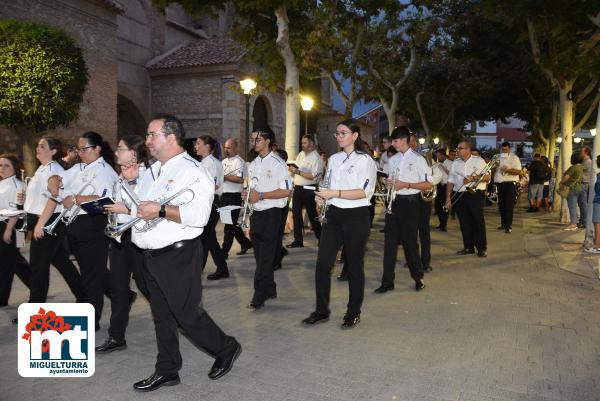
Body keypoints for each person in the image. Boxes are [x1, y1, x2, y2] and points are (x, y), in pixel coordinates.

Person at [131, 115, 240, 391]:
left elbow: (200, 216)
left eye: (151, 134)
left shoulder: (192, 171)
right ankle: (167, 370)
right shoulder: (154, 170)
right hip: (151, 254)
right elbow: (142, 206)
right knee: (162, 316)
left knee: (186, 315)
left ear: (170, 138)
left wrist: (160, 210)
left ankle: (226, 347)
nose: (147, 140)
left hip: (177, 254)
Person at [301, 119, 376, 329]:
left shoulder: (366, 161)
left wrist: (333, 193)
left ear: (355, 135)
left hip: (356, 215)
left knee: (354, 266)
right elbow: (328, 183)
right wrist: (322, 197)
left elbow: (364, 192)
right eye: (337, 133)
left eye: (343, 133)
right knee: (322, 264)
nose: (339, 137)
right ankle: (321, 310)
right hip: (334, 215)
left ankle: (353, 312)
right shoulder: (333, 159)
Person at [47, 132, 119, 328]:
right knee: (90, 272)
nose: (80, 153)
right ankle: (122, 296)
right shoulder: (79, 167)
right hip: (76, 225)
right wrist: (53, 181)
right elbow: (57, 176)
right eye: (78, 149)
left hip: (93, 224)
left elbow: (105, 201)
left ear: (97, 149)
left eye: (84, 149)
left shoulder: (105, 170)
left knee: (91, 276)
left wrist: (77, 199)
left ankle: (91, 320)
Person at [95, 135, 151, 353]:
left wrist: (125, 210)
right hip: (119, 238)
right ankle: (116, 337)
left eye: (121, 148)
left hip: (137, 238)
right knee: (118, 289)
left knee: (147, 286)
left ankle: (171, 318)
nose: (116, 152)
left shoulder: (147, 175)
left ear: (134, 154)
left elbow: (148, 210)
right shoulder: (119, 176)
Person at [25, 137, 83, 304]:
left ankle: (34, 308)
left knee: (38, 267)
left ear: (53, 151)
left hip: (48, 221)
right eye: (38, 145)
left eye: (42, 146)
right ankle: (84, 296)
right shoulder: (43, 168)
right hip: (45, 220)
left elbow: (53, 199)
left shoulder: (53, 170)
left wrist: (40, 225)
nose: (38, 148)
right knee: (62, 263)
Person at [374, 127, 432, 295]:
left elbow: (428, 184)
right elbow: (391, 180)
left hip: (411, 203)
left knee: (410, 243)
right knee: (390, 244)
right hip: (395, 202)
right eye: (392, 140)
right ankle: (387, 282)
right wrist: (389, 184)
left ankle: (418, 277)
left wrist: (406, 184)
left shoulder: (419, 159)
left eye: (396, 140)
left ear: (405, 140)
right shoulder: (392, 160)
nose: (393, 143)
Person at [243, 127, 291, 310]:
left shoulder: (278, 163)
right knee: (260, 255)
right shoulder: (253, 163)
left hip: (272, 213)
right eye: (253, 139)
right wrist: (247, 194)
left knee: (265, 257)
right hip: (257, 213)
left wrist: (261, 195)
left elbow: (286, 191)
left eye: (258, 139)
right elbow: (252, 188)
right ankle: (270, 288)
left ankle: (259, 293)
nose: (254, 142)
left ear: (268, 141)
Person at [446, 140, 490, 257]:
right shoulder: (455, 163)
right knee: (464, 222)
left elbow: (487, 177)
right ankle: (468, 247)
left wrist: (474, 178)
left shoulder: (479, 161)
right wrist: (448, 198)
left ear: (467, 150)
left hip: (475, 194)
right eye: (458, 148)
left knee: (477, 221)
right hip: (459, 194)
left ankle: (481, 248)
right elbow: (450, 181)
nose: (458, 150)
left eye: (460, 148)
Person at [195, 135, 229, 280]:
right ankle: (217, 268)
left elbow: (212, 185)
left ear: (207, 146)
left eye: (198, 144)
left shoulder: (212, 164)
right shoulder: (204, 162)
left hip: (210, 202)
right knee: (207, 238)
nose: (195, 146)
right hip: (205, 202)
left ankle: (221, 269)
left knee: (207, 238)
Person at [0, 154, 31, 307]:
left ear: (14, 168)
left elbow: (16, 210)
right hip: (5, 224)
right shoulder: (2, 182)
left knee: (7, 263)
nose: (2, 168)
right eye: (0, 165)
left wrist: (8, 229)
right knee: (15, 259)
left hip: (13, 226)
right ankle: (37, 285)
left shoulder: (17, 185)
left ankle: (2, 298)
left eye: (6, 166)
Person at [287, 134, 323, 248]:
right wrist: (292, 169)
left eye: (305, 143)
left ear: (312, 143)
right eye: (302, 143)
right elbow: (297, 168)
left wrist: (297, 172)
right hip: (298, 187)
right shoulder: (301, 154)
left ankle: (322, 238)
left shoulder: (316, 157)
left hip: (309, 188)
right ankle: (298, 240)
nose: (302, 145)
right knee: (296, 214)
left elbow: (314, 176)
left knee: (312, 214)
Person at [221, 138, 253, 258]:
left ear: (235, 148)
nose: (226, 149)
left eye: (229, 147)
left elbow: (240, 179)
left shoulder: (239, 162)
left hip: (234, 196)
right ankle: (246, 243)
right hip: (224, 195)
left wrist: (224, 176)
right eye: (225, 147)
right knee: (230, 223)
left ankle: (224, 251)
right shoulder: (223, 161)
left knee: (228, 226)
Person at [495, 142, 522, 233]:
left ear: (510, 149)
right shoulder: (497, 157)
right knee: (501, 205)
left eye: (506, 149)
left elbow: (519, 172)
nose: (504, 151)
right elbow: (492, 169)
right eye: (502, 149)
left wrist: (507, 170)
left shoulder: (514, 158)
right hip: (500, 183)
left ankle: (508, 226)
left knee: (509, 206)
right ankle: (503, 224)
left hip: (510, 184)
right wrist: (494, 167)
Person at [561, 153, 584, 231]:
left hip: (571, 188)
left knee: (572, 207)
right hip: (580, 188)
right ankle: (577, 222)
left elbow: (565, 178)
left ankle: (573, 224)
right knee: (577, 207)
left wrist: (562, 182)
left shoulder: (573, 167)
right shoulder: (581, 167)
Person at [584, 155, 600, 253]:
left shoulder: (599, 175)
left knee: (597, 223)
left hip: (599, 201)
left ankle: (597, 246)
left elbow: (597, 188)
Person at [433, 150, 449, 231]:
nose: (437, 157)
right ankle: (441, 223)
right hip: (438, 186)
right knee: (437, 206)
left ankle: (444, 224)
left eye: (438, 155)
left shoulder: (449, 163)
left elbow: (451, 174)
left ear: (443, 155)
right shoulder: (437, 163)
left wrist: (443, 167)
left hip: (446, 186)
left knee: (444, 206)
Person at [579, 147, 593, 228]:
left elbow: (581, 173)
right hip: (586, 183)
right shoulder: (586, 161)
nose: (581, 153)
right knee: (583, 203)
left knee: (583, 203)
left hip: (584, 183)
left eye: (582, 152)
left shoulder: (587, 162)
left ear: (586, 152)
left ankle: (584, 222)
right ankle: (583, 220)